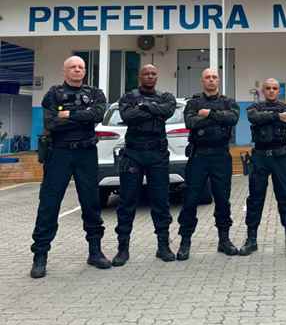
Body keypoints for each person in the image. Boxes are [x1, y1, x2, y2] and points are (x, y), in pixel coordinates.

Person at [30, 56, 111, 279]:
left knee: (91, 202)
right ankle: (40, 255)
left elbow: (97, 115)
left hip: (86, 153)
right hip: (60, 153)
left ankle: (95, 251)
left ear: (85, 71)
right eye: (73, 67)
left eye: (81, 67)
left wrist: (69, 115)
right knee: (49, 203)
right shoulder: (53, 94)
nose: (77, 70)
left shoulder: (95, 94)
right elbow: (51, 123)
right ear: (65, 71)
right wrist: (79, 118)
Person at [112, 65, 177, 265]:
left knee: (161, 201)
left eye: (153, 74)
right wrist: (152, 111)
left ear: (157, 77)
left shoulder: (166, 97)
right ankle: (123, 249)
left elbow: (167, 112)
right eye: (146, 74)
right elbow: (127, 116)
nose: (150, 76)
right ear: (140, 76)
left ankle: (163, 246)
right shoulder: (128, 97)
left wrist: (143, 107)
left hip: (157, 155)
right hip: (133, 154)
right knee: (127, 201)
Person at [176, 67, 240, 259]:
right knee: (190, 200)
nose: (211, 80)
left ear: (218, 81)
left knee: (222, 199)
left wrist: (208, 114)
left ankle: (224, 240)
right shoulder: (194, 102)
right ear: (202, 81)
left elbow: (233, 119)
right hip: (199, 157)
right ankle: (185, 242)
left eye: (214, 77)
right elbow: (190, 122)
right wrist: (216, 117)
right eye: (207, 77)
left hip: (221, 156)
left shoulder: (228, 102)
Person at [239, 78, 286, 255]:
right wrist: (275, 116)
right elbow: (254, 118)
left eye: (275, 88)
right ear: (263, 91)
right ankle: (251, 240)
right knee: (255, 199)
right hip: (259, 157)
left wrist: (269, 118)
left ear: (278, 91)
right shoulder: (254, 107)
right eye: (268, 88)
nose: (272, 91)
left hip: (280, 157)